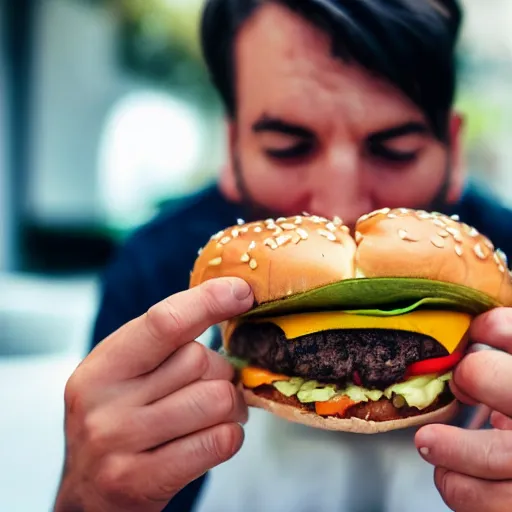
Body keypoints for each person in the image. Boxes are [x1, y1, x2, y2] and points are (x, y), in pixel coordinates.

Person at [54, 1, 512, 511]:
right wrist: (86, 496)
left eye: (395, 150)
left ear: (453, 152)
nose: (341, 211)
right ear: (231, 151)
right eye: (287, 149)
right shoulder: (153, 274)